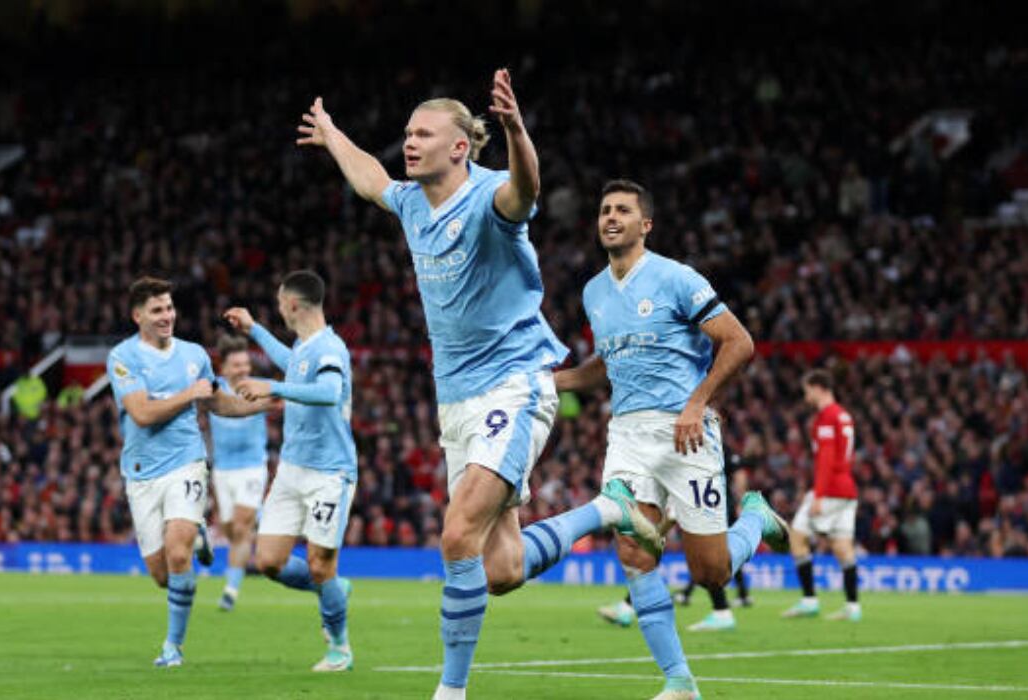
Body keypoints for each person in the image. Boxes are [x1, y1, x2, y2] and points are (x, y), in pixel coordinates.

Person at [297, 71, 651, 699]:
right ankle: (607, 509)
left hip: (513, 385)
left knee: (457, 533)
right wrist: (332, 136)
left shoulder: (489, 198)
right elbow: (371, 181)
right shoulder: (411, 203)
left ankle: (451, 692)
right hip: (455, 398)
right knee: (501, 569)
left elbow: (526, 189)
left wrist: (516, 130)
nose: (409, 143)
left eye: (423, 133)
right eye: (407, 133)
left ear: (460, 146)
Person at [555, 180, 790, 700]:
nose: (611, 217)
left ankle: (756, 518)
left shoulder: (676, 278)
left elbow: (739, 342)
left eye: (623, 210)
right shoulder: (594, 291)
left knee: (712, 574)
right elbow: (607, 364)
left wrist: (698, 403)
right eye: (604, 210)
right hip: (628, 434)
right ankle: (679, 682)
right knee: (634, 555)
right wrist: (560, 381)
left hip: (686, 434)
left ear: (646, 225)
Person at [107, 276, 264, 667]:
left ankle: (173, 647)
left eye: (170, 308)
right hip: (142, 473)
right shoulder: (123, 358)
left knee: (178, 555)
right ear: (137, 315)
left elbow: (218, 404)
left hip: (187, 462)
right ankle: (195, 534)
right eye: (157, 310)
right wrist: (188, 396)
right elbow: (142, 414)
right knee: (162, 575)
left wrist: (271, 401)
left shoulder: (194, 355)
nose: (167, 316)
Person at [224, 270, 358, 672]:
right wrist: (255, 330)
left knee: (320, 563)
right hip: (291, 470)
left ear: (295, 305)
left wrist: (274, 387)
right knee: (268, 561)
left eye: (281, 303)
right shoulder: (305, 347)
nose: (280, 309)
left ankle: (339, 649)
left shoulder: (331, 349)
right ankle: (333, 589)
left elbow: (330, 393)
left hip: (329, 474)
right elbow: (291, 362)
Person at [598, 451, 754, 633]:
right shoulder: (706, 443)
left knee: (703, 557)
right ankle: (721, 608)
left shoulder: (696, 444)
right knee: (701, 557)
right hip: (704, 502)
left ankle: (722, 610)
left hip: (705, 504)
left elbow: (739, 475)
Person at [782, 369, 862, 621]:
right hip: (848, 489)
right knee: (842, 546)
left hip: (830, 489)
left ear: (818, 388)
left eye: (807, 390)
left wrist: (818, 494)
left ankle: (809, 600)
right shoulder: (844, 415)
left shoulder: (827, 417)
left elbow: (826, 458)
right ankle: (852, 607)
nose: (805, 395)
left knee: (796, 536)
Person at [205, 335, 274, 612]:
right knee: (231, 529)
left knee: (242, 526)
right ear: (224, 368)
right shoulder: (214, 390)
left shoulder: (259, 389)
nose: (243, 369)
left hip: (252, 466)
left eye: (246, 364)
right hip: (222, 469)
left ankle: (231, 589)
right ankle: (254, 520)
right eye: (236, 365)